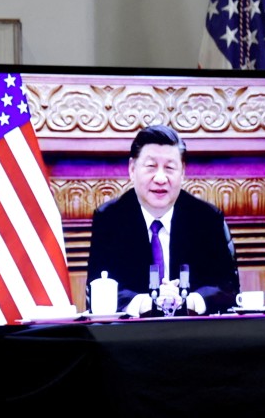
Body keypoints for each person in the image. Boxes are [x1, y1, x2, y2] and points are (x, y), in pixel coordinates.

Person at [86, 124, 240, 316]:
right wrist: (146, 303)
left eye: (169, 168)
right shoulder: (110, 219)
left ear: (182, 172)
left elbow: (228, 287)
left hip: (194, 330)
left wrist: (188, 301)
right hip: (131, 332)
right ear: (132, 169)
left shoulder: (206, 218)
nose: (160, 178)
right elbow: (98, 289)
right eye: (151, 167)